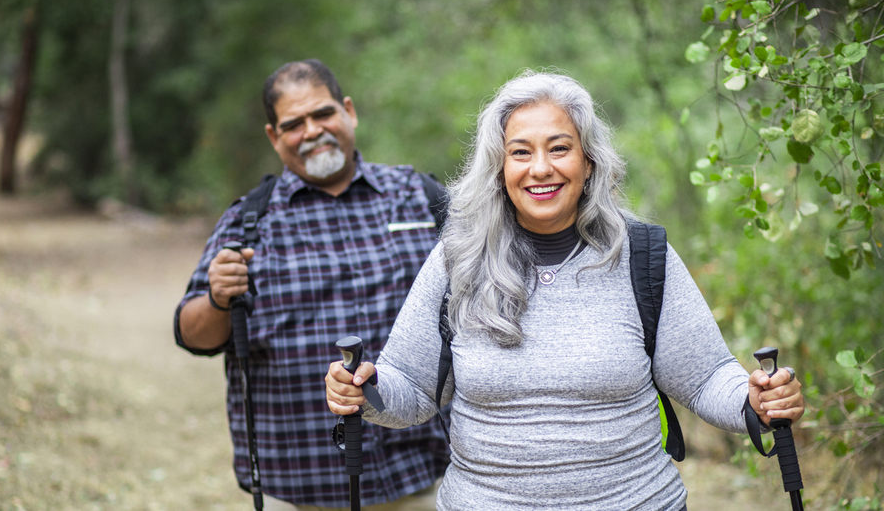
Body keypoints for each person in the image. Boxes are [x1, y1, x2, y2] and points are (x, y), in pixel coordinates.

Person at [325, 70, 805, 510]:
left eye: (559, 148)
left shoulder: (642, 254)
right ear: (498, 166)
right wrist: (364, 390)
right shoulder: (457, 258)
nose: (540, 168)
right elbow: (410, 388)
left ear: (589, 162)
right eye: (520, 152)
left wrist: (756, 400)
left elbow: (703, 379)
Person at [175, 59, 449, 509]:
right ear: (274, 137)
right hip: (300, 484)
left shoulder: (422, 198)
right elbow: (192, 335)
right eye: (294, 123)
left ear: (348, 111)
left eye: (322, 114)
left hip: (423, 475)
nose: (313, 130)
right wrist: (218, 298)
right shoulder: (249, 223)